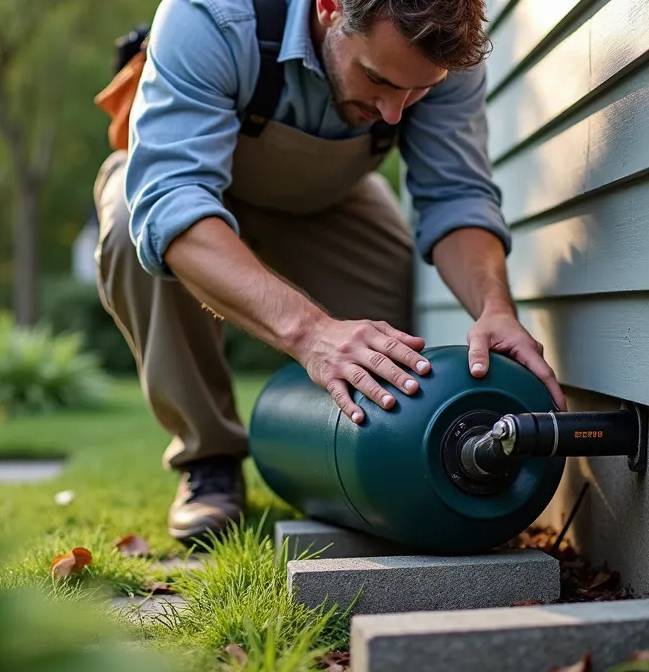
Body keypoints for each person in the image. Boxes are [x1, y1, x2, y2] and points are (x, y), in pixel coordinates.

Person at [91, 0, 566, 544]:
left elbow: (456, 197)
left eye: (416, 94)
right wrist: (313, 334)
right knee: (137, 228)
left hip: (327, 202)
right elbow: (173, 204)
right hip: (192, 191)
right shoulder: (212, 17)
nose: (395, 113)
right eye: (378, 80)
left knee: (391, 342)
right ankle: (209, 460)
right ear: (329, 8)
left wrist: (494, 307)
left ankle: (333, 460)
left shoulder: (444, 54)